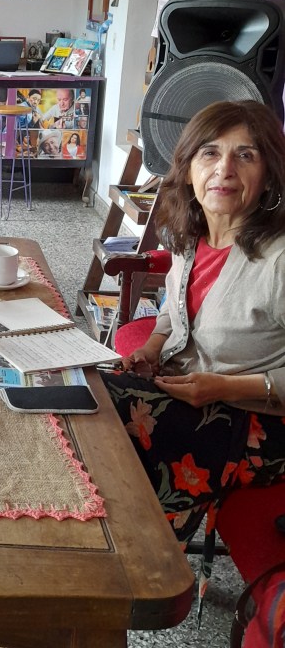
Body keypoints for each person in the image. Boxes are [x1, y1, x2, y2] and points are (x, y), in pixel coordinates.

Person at [102, 100, 285, 590]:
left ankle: (136, 573)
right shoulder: (192, 234)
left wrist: (224, 387)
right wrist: (153, 347)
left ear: (269, 174)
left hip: (258, 423)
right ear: (188, 168)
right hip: (192, 386)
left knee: (111, 421)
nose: (224, 169)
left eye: (245, 155)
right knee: (88, 392)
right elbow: (173, 308)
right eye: (210, 153)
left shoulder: (279, 260)